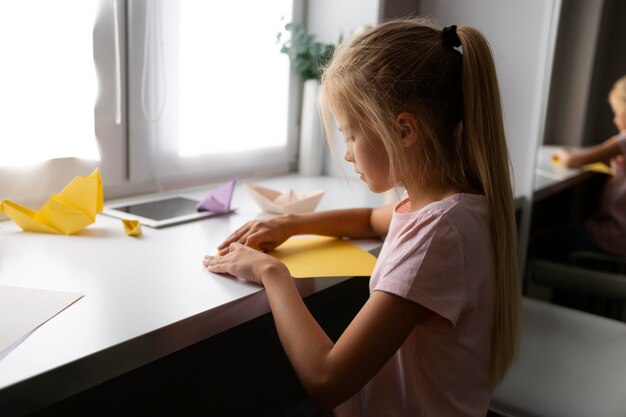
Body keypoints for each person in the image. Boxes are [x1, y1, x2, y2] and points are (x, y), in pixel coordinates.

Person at [203, 18, 520, 417]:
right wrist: (292, 224)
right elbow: (371, 221)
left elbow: (326, 380)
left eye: (351, 134)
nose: (348, 152)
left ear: (404, 130)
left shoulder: (439, 233)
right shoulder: (455, 205)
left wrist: (271, 273)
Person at [545, 75, 626, 259]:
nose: (615, 120)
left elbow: (573, 161)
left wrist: (564, 151)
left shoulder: (624, 140)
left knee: (546, 241)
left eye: (616, 112)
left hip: (614, 236)